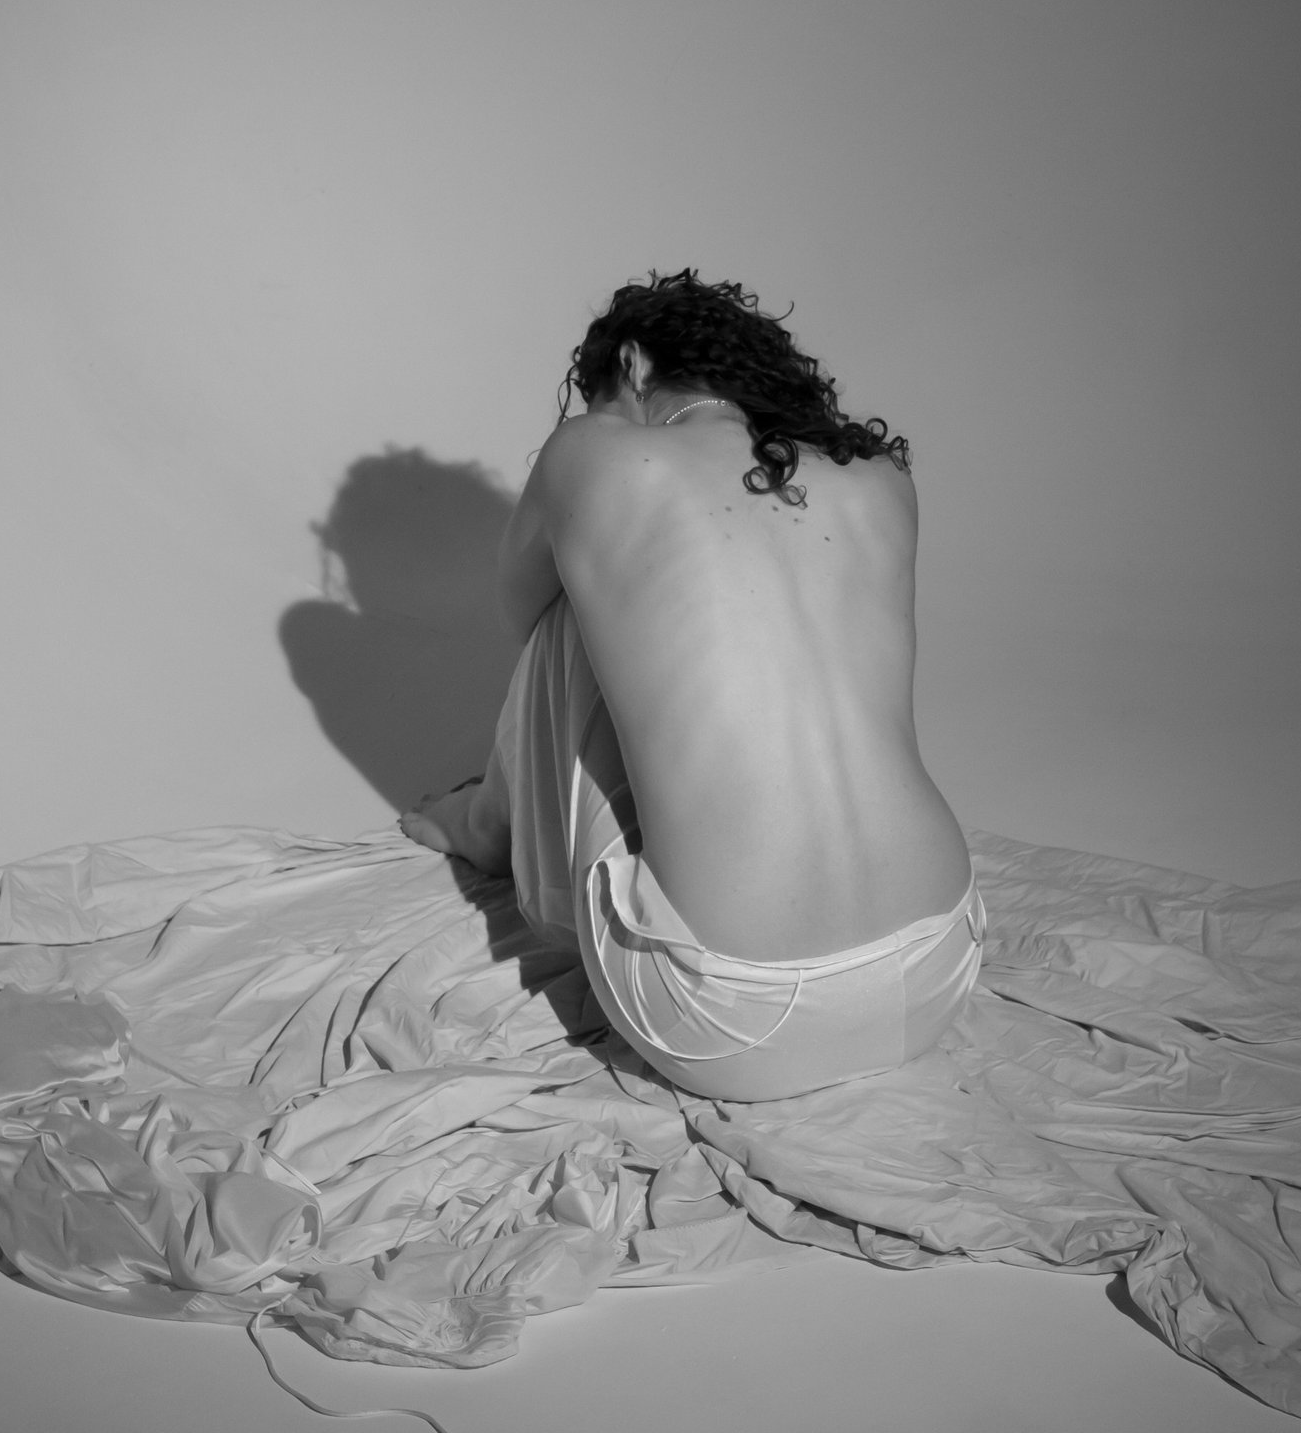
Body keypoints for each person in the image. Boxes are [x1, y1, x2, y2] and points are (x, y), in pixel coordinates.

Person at [400, 271, 983, 1101]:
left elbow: (520, 612)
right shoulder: (878, 477)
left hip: (732, 1019)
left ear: (632, 365)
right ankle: (498, 821)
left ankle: (488, 825)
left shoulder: (590, 450)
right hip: (936, 972)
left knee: (569, 613)